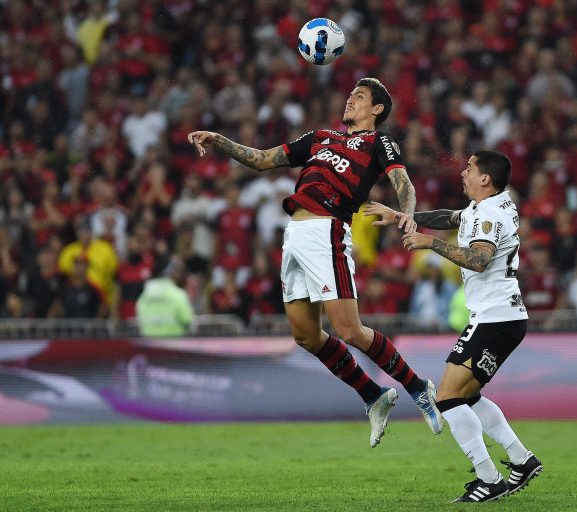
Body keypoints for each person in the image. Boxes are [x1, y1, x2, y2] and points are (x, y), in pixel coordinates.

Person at [188, 77, 442, 447]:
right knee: (305, 335)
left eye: (360, 96)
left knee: (350, 331)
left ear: (377, 109)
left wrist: (407, 213)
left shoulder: (378, 142)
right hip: (294, 236)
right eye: (350, 93)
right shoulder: (320, 137)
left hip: (327, 232)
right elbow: (262, 160)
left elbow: (403, 182)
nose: (350, 99)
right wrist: (219, 141)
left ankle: (418, 387)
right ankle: (373, 396)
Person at [365, 150, 542, 502]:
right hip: (501, 316)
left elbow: (479, 259)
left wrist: (429, 242)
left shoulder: (489, 213)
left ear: (485, 179)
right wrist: (403, 217)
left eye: (469, 168)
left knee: (446, 396)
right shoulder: (489, 206)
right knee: (466, 396)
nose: (463, 172)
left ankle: (489, 479)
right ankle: (522, 460)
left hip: (495, 318)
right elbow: (452, 217)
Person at [135, 258, 194, 337]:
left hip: (149, 345)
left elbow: (139, 320)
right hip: (172, 345)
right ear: (170, 273)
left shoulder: (144, 295)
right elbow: (188, 321)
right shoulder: (178, 295)